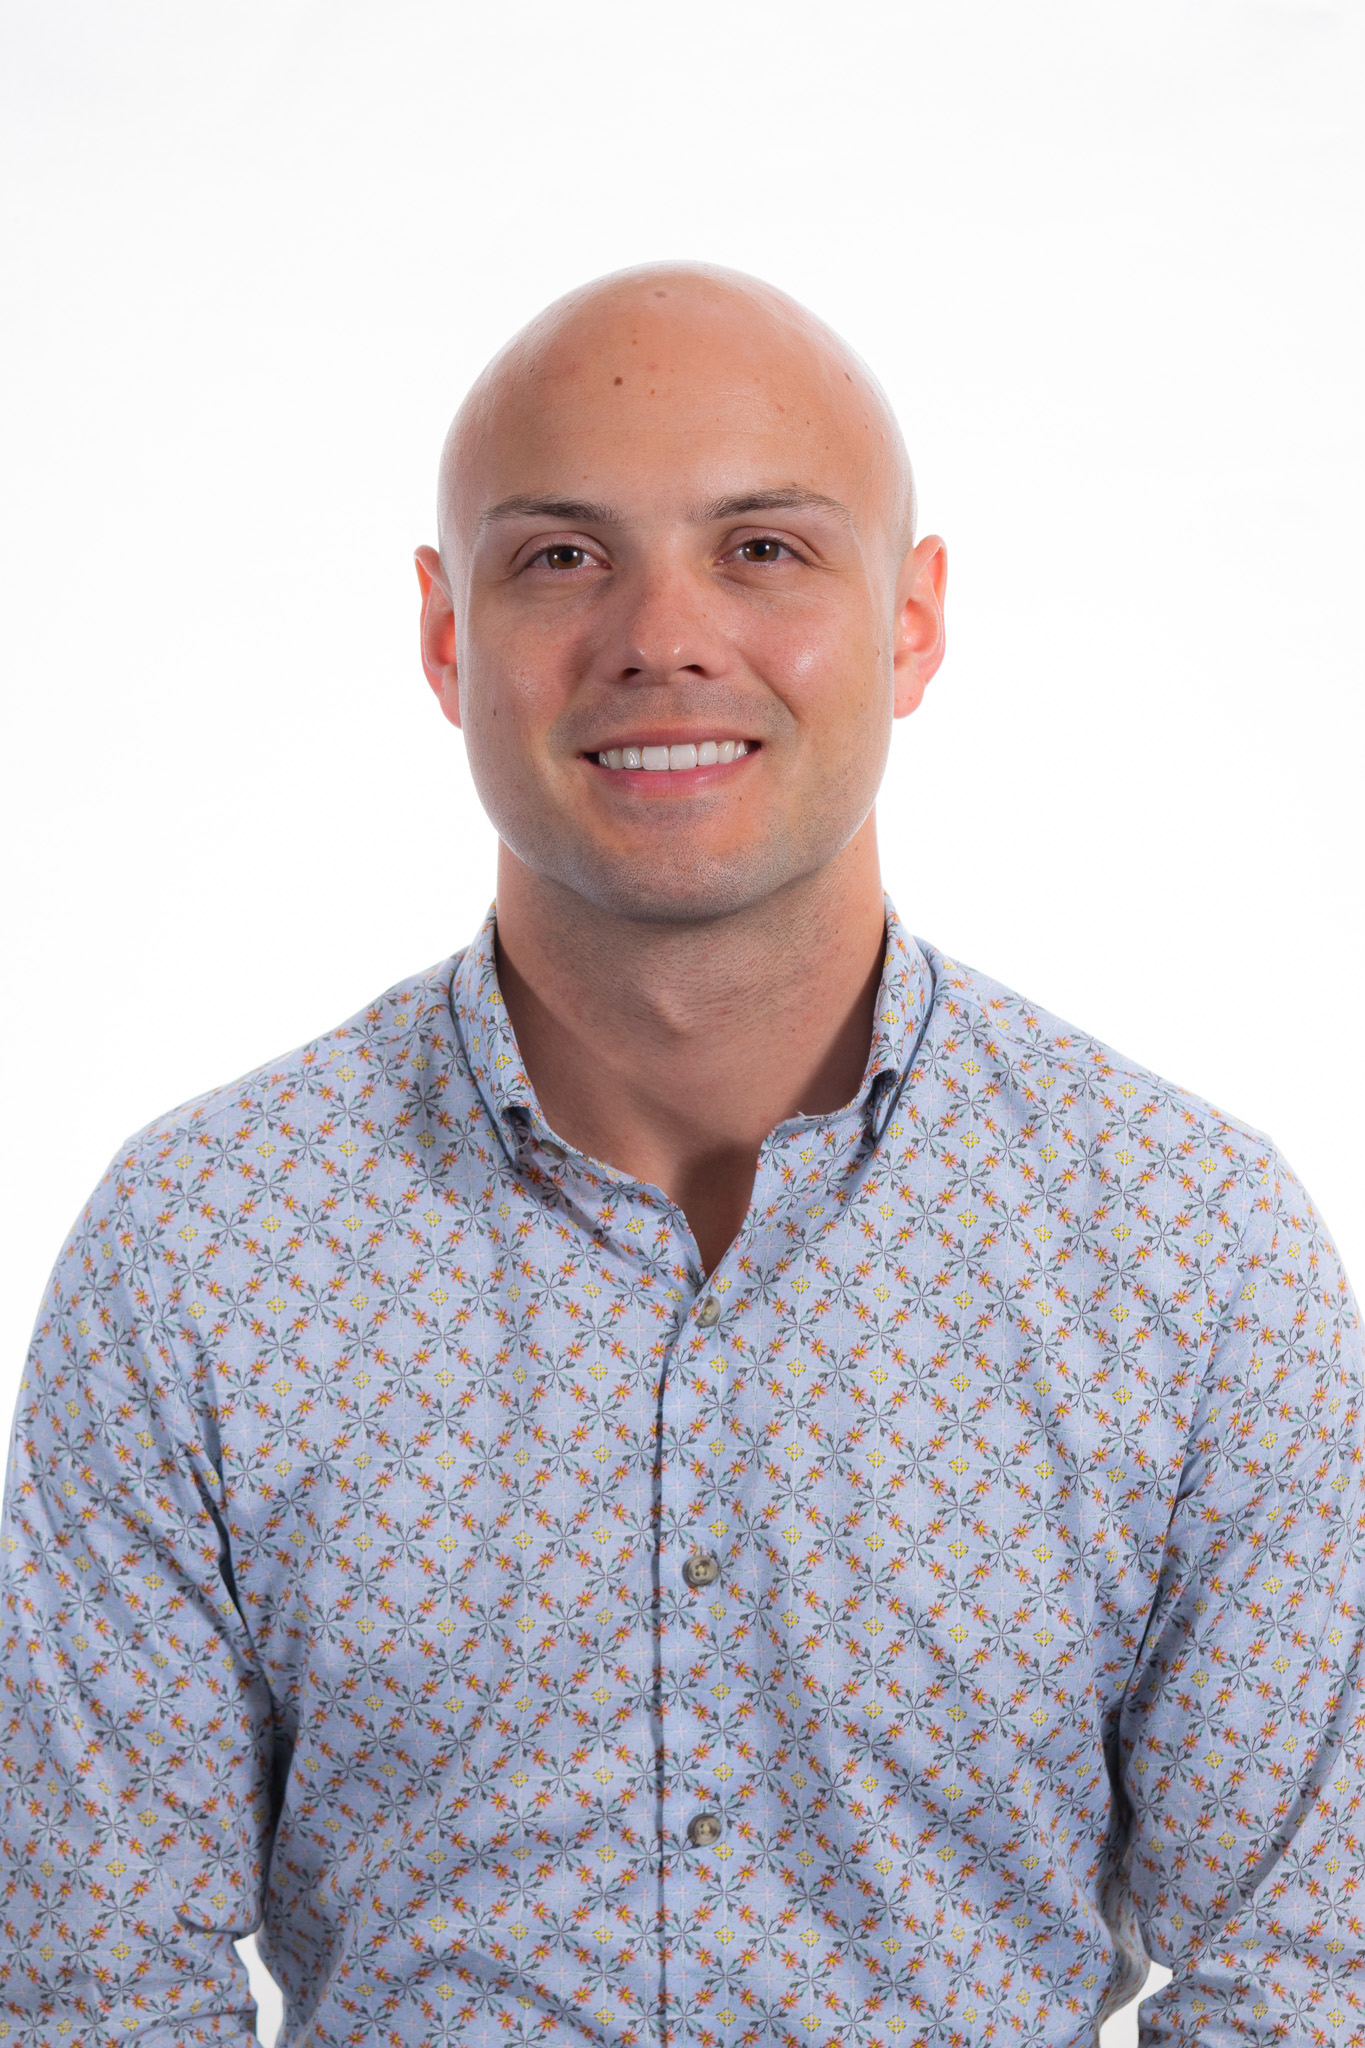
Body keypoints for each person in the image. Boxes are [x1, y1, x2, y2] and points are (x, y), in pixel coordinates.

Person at [1, 264, 1360, 2048]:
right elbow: (95, 1992)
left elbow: (1307, 1976)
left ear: (909, 623)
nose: (661, 636)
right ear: (445, 634)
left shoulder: (1187, 1253)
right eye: (562, 556)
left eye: (763, 550)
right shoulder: (203, 1254)